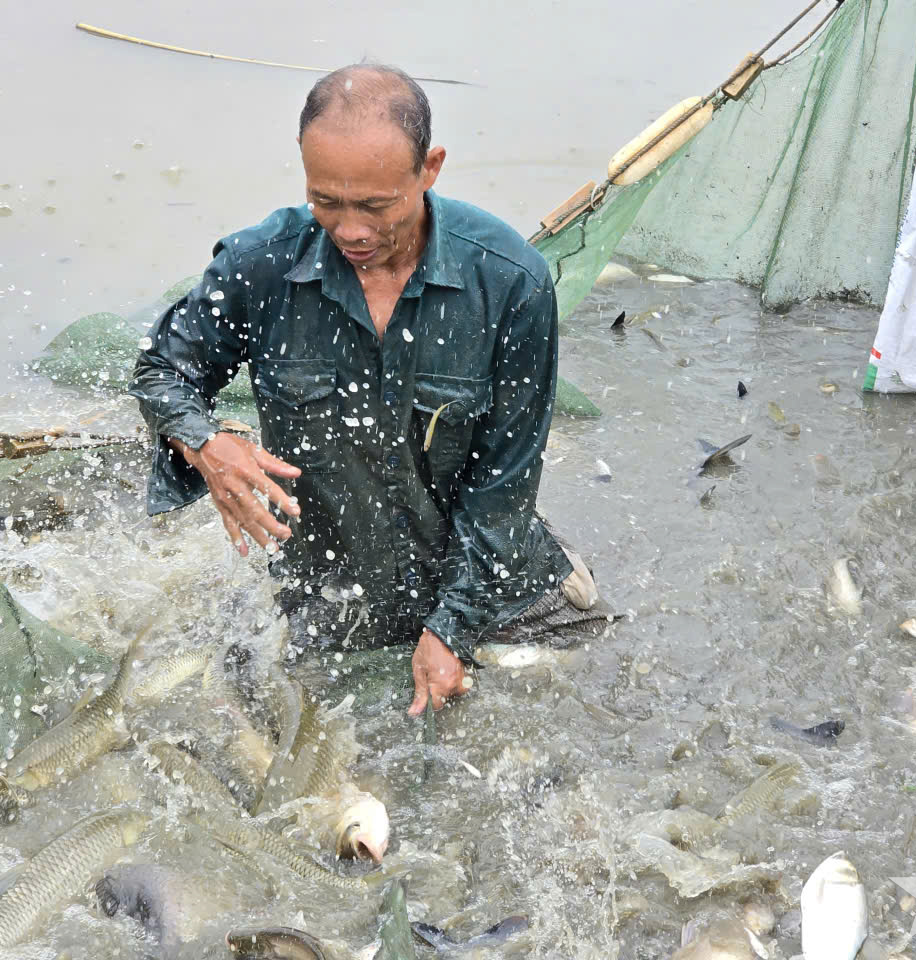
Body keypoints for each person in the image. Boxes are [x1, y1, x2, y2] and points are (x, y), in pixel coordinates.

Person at [129, 63, 605, 716]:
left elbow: (504, 486)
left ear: (430, 167)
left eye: (376, 207)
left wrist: (451, 628)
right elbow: (162, 373)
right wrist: (208, 443)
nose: (350, 229)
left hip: (491, 583)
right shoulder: (260, 265)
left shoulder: (510, 283)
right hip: (330, 593)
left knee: (588, 702)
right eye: (327, 201)